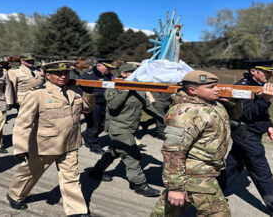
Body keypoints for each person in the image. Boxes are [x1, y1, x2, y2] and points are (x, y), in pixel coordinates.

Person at [6, 61, 95, 216]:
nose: (63, 76)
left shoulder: (74, 90)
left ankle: (76, 210)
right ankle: (15, 195)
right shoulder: (37, 93)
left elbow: (87, 109)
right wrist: (21, 147)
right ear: (47, 75)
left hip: (70, 142)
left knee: (71, 178)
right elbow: (22, 123)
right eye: (58, 74)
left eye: (66, 73)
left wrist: (88, 92)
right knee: (30, 173)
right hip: (45, 144)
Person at [217, 60, 273, 217]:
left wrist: (268, 126)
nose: (271, 74)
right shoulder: (243, 87)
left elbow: (260, 114)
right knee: (263, 174)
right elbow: (248, 114)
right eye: (267, 71)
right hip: (245, 134)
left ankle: (209, 195)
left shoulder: (258, 84)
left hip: (250, 132)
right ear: (254, 71)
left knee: (232, 168)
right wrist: (265, 100)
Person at [150, 70, 232, 217]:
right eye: (211, 87)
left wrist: (234, 103)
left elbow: (232, 116)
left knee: (165, 212)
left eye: (216, 86)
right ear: (192, 90)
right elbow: (173, 152)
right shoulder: (185, 115)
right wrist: (175, 188)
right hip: (195, 176)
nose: (217, 89)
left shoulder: (211, 104)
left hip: (201, 172)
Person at [88, 63, 163, 197]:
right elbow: (112, 105)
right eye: (133, 72)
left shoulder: (138, 86)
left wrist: (163, 119)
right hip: (118, 127)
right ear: (123, 74)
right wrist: (126, 89)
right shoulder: (113, 86)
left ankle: (96, 172)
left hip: (130, 128)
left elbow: (146, 105)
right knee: (131, 155)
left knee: (114, 151)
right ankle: (139, 184)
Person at [79, 59, 116, 155]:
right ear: (99, 66)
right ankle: (94, 146)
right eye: (107, 67)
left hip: (106, 103)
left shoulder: (109, 74)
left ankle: (87, 135)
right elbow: (79, 88)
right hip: (93, 104)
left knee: (104, 125)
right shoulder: (88, 75)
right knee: (94, 126)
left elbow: (113, 83)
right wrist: (84, 103)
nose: (108, 69)